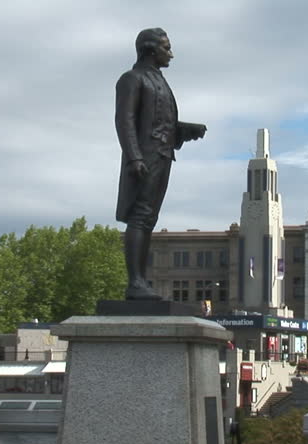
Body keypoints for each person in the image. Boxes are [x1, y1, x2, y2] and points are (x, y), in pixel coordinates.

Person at [115, 28, 207, 300]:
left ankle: (140, 281)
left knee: (149, 219)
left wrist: (184, 130)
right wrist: (134, 156)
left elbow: (159, 122)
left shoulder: (159, 81)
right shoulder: (132, 79)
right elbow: (125, 120)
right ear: (149, 49)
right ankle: (135, 283)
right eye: (166, 48)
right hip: (145, 157)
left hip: (163, 155)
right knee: (140, 216)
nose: (171, 53)